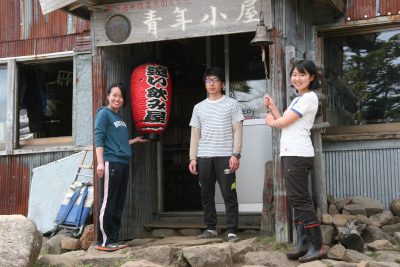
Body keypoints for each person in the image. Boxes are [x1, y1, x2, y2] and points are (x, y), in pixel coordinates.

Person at [264, 59, 324, 262]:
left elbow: (281, 123)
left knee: (299, 199)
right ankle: (304, 244)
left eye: (302, 75)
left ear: (312, 77)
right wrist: (273, 107)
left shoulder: (309, 98)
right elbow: (285, 124)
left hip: (298, 154)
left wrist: (272, 122)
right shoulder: (298, 99)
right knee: (296, 199)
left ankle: (317, 245)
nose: (297, 78)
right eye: (295, 75)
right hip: (291, 153)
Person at [189, 66, 245, 243]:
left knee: (229, 194)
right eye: (208, 80)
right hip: (204, 157)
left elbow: (238, 130)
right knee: (206, 195)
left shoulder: (232, 104)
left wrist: (236, 154)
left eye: (214, 80)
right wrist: (192, 157)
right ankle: (211, 228)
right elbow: (195, 134)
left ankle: (232, 231)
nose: (211, 84)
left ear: (222, 84)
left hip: (225, 157)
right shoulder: (198, 107)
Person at [94, 83, 149, 251]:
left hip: (123, 162)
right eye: (114, 95)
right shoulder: (104, 114)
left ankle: (113, 239)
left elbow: (119, 142)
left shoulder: (120, 118)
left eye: (121, 97)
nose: (117, 99)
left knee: (118, 203)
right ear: (108, 96)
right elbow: (99, 138)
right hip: (110, 162)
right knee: (108, 203)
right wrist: (100, 162)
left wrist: (134, 141)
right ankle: (104, 241)